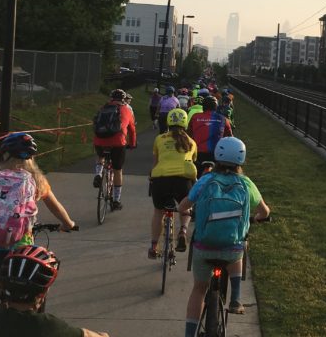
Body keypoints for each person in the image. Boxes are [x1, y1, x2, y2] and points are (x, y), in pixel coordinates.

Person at [175, 137, 270, 337]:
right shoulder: (246, 184)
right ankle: (236, 298)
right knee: (240, 245)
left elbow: (183, 206)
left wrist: (190, 214)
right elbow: (264, 211)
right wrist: (256, 218)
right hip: (230, 249)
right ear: (241, 159)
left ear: (217, 156)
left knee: (199, 289)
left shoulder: (206, 180)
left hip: (204, 247)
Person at [0, 132, 76, 309]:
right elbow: (56, 207)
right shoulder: (36, 180)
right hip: (17, 245)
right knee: (36, 277)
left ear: (5, 155)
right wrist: (68, 224)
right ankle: (36, 315)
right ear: (32, 157)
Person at [148, 108, 197, 258]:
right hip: (182, 181)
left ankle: (154, 247)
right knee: (186, 207)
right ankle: (182, 230)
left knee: (158, 212)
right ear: (185, 123)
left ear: (168, 122)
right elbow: (192, 161)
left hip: (160, 179)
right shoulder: (191, 142)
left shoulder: (160, 139)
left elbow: (155, 163)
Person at [92, 89, 137, 211]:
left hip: (100, 140)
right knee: (117, 170)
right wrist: (132, 144)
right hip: (118, 143)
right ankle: (116, 200)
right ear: (123, 99)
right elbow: (132, 130)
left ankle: (98, 174)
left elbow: (95, 123)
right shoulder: (127, 110)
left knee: (100, 156)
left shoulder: (103, 108)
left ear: (111, 98)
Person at [188, 94, 232, 177]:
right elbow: (230, 138)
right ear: (216, 107)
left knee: (193, 178)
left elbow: (188, 136)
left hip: (198, 154)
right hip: (217, 155)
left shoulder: (195, 117)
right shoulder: (223, 119)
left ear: (203, 107)